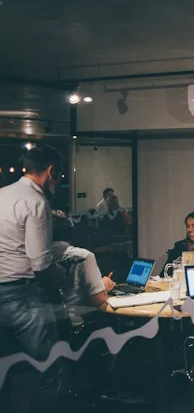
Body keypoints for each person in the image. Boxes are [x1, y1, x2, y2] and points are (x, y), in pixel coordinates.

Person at [0, 144, 65, 411]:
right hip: (21, 295)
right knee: (50, 369)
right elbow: (40, 262)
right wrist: (59, 276)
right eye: (59, 175)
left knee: (9, 369)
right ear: (50, 171)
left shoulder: (3, 194)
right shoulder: (36, 201)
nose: (59, 181)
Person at [51, 210, 116, 326]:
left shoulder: (32, 258)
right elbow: (98, 299)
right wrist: (105, 285)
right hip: (78, 328)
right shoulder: (83, 256)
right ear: (70, 231)